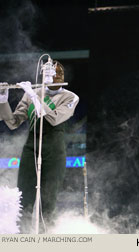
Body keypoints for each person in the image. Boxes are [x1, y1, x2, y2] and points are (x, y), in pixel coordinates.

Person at [0, 60, 79, 233]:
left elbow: (53, 118)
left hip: (54, 148)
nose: (54, 77)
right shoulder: (31, 94)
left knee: (48, 200)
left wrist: (34, 96)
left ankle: (45, 238)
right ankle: (22, 236)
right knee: (24, 197)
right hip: (31, 146)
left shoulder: (70, 97)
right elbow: (13, 122)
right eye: (49, 73)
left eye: (57, 73)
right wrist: (3, 99)